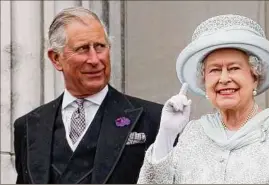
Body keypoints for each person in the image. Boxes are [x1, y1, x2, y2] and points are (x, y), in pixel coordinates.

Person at [137, 14, 269, 184]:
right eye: (214, 70)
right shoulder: (193, 134)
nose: (223, 79)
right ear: (204, 81)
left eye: (234, 68)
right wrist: (166, 136)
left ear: (255, 77)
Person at [13, 7, 163, 184]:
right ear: (56, 58)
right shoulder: (28, 126)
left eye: (100, 47)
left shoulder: (155, 119)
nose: (94, 60)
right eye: (83, 49)